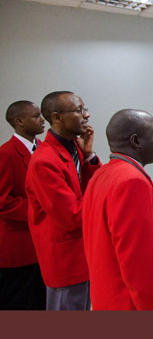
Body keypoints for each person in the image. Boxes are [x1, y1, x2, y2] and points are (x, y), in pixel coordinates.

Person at [82, 109, 153, 310]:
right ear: (136, 141)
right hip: (130, 303)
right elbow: (140, 267)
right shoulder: (131, 182)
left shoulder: (104, 173)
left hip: (109, 293)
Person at [25, 91, 101, 310]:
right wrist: (101, 192)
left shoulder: (73, 146)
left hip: (81, 250)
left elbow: (81, 189)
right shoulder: (44, 161)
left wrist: (89, 157)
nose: (87, 115)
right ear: (57, 117)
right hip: (64, 257)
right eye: (79, 110)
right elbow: (71, 216)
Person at [0, 101, 46, 310]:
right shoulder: (6, 153)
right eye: (36, 115)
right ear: (19, 122)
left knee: (40, 302)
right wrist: (42, 211)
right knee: (17, 304)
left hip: (42, 245)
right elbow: (3, 201)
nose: (42, 119)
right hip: (19, 247)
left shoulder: (45, 150)